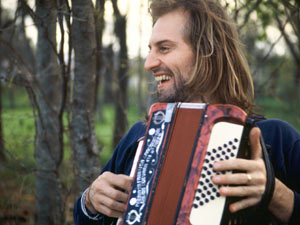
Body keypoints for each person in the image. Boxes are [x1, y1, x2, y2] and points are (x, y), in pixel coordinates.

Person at [73, 0, 300, 224]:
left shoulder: (278, 139)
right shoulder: (137, 137)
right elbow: (85, 218)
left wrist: (276, 194)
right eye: (150, 50)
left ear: (207, 53)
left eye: (164, 48)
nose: (149, 63)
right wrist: (90, 202)